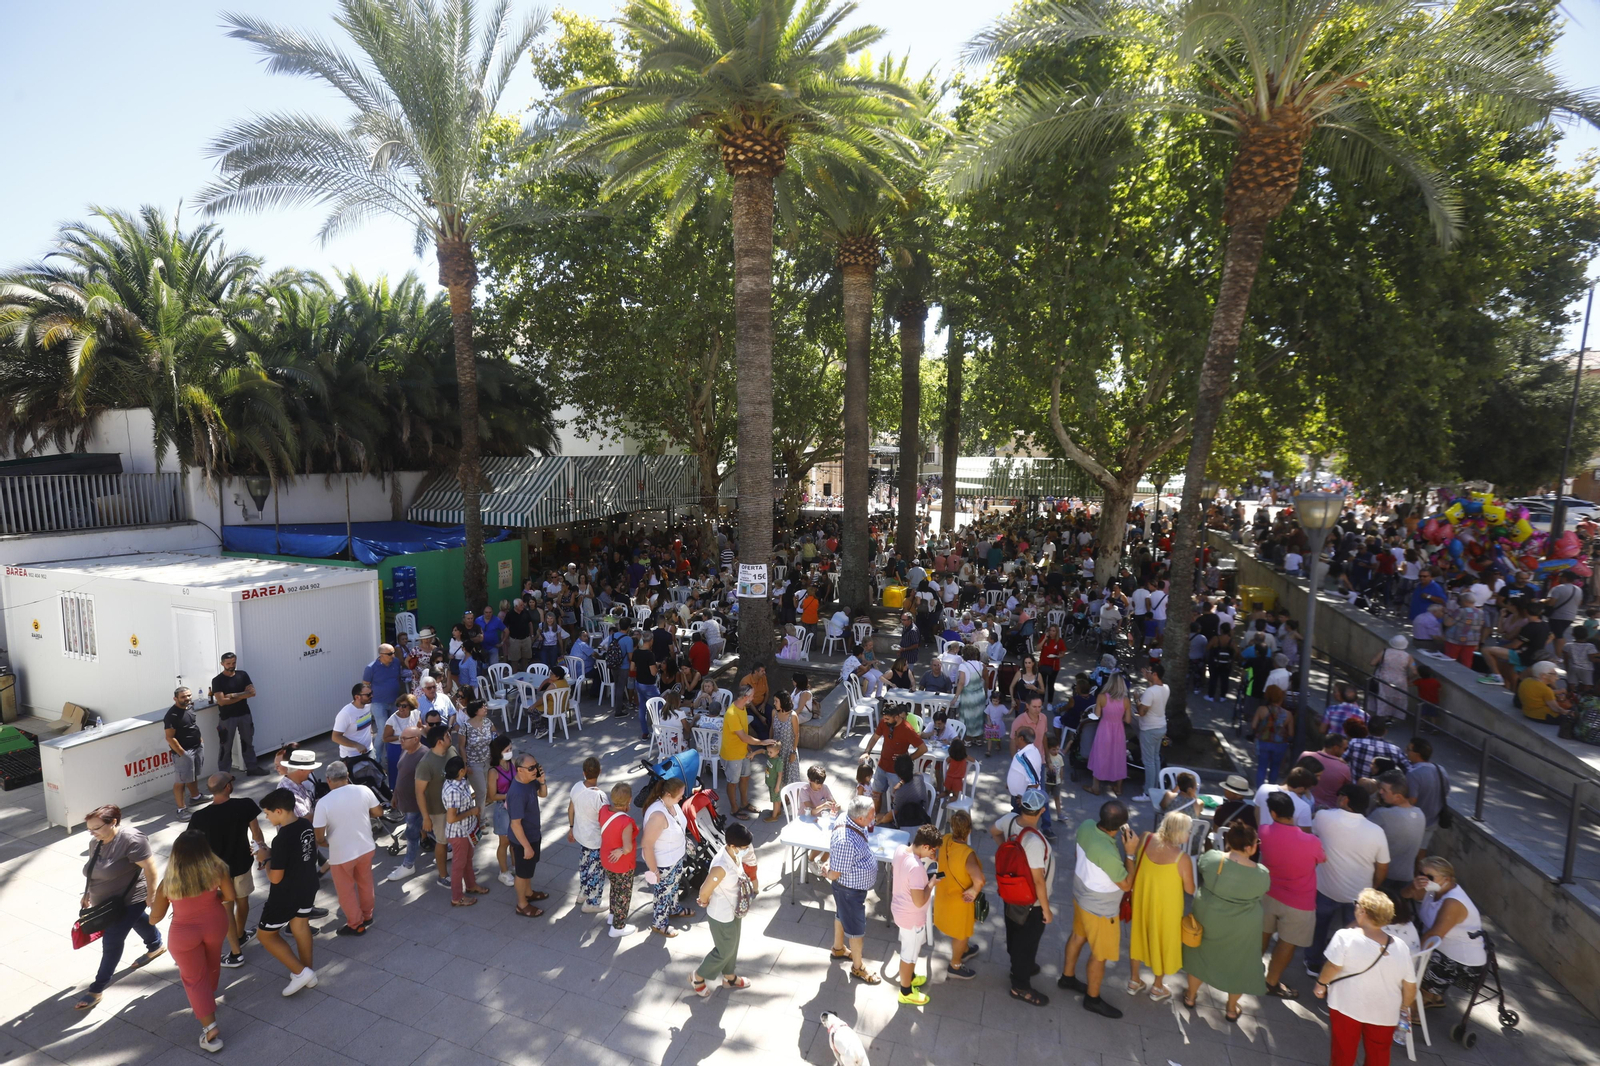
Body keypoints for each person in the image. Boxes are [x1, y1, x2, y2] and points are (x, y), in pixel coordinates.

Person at [147, 831, 234, 1053]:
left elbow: (154, 918)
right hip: (215, 923)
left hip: (183, 933)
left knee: (194, 978)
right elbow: (230, 896)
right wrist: (213, 899)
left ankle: (210, 1028)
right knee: (213, 960)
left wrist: (153, 905)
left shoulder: (168, 882)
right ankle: (209, 994)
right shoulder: (219, 869)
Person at [75, 805, 165, 1011]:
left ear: (113, 822)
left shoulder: (132, 840)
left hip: (131, 898)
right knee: (138, 919)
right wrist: (87, 892)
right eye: (89, 828)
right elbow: (92, 870)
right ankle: (156, 945)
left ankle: (97, 988)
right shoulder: (96, 842)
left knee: (112, 941)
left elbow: (150, 868)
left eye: (96, 828)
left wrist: (151, 896)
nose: (92, 832)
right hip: (107, 903)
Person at [1313, 889, 1416, 1066]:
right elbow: (1410, 985)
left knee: (1343, 1051)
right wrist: (1404, 1007)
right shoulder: (1401, 946)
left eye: (1356, 904)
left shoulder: (1345, 936)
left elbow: (1333, 966)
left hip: (1347, 1006)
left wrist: (1321, 984)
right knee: (1379, 1055)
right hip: (1386, 1012)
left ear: (1362, 911)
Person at [1182, 821, 1270, 1020]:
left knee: (1200, 956)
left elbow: (1202, 867)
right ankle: (1231, 1009)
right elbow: (1261, 892)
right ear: (1249, 847)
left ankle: (1190, 996)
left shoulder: (1212, 859)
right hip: (1242, 925)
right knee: (1240, 964)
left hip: (1208, 916)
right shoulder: (1261, 874)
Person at [1059, 798, 1136, 1018]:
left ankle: (1067, 978)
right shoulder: (1108, 853)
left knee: (1077, 937)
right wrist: (1130, 853)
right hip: (1100, 909)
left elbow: (1077, 855)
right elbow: (1127, 884)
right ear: (1121, 827)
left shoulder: (1086, 826)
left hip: (1080, 895)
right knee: (1100, 955)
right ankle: (1092, 999)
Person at [1308, 784, 1391, 975]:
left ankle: (1312, 963)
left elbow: (1311, 837)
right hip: (1358, 896)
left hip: (1324, 888)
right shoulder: (1377, 831)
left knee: (1319, 928)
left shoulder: (1323, 817)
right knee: (1354, 935)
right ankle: (1344, 969)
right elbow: (1383, 867)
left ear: (1345, 800)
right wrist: (1374, 888)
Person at [189, 773, 268, 968]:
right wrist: (262, 853)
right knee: (243, 902)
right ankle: (240, 935)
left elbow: (192, 845)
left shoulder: (199, 817)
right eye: (231, 782)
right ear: (227, 787)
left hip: (216, 873)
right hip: (242, 865)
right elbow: (256, 833)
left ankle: (236, 953)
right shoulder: (245, 805)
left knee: (226, 911)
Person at [1259, 790, 1327, 998]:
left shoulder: (1262, 831)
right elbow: (1321, 859)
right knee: (1287, 943)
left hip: (1268, 893)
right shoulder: (1311, 841)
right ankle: (1271, 982)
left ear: (1272, 813)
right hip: (1300, 901)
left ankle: (1250, 971)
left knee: (1262, 934)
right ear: (1293, 812)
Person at [1126, 811, 1196, 1002]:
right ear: (1179, 833)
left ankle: (1134, 981)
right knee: (1164, 943)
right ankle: (1157, 987)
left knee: (1138, 936)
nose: (1190, 835)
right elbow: (1190, 889)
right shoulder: (1182, 859)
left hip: (1142, 902)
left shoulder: (1146, 838)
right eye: (1188, 831)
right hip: (1167, 910)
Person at [256, 788, 319, 996]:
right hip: (308, 886)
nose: (266, 816)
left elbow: (275, 877)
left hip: (285, 895)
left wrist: (265, 859)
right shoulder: (305, 825)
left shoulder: (281, 838)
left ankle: (301, 973)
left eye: (268, 812)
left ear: (280, 811)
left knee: (265, 935)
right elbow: (298, 854)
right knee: (300, 926)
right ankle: (308, 972)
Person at [1403, 856, 1485, 1010]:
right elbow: (1405, 896)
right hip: (1441, 948)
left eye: (1429, 877)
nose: (1423, 879)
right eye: (1420, 874)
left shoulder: (1453, 902)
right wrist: (1413, 887)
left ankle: (1419, 1003)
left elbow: (1434, 935)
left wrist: (1411, 958)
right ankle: (1432, 996)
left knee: (1409, 972)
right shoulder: (1433, 889)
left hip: (1460, 960)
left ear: (1446, 879)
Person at [313, 761, 380, 935]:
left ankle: (356, 924)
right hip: (365, 847)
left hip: (341, 854)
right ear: (347, 775)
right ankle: (367, 915)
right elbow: (378, 812)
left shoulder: (323, 803)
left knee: (346, 891)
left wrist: (326, 843)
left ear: (328, 779)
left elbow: (318, 835)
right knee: (366, 883)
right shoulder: (364, 790)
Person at [693, 822, 757, 996]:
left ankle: (729, 977)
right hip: (721, 915)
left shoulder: (733, 853)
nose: (747, 850)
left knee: (733, 945)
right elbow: (704, 890)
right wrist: (704, 901)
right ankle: (698, 976)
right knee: (724, 950)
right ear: (732, 845)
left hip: (734, 909)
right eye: (744, 847)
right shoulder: (721, 866)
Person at [824, 795, 882, 986]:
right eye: (871, 815)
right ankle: (858, 967)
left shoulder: (846, 818)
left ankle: (838, 948)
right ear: (860, 818)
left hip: (849, 890)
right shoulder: (845, 841)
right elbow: (834, 874)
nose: (874, 817)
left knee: (841, 914)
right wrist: (826, 870)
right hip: (849, 890)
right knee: (856, 929)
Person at [887, 824, 942, 1006]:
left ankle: (909, 976)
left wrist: (926, 857)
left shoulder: (901, 849)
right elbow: (920, 901)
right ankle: (905, 991)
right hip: (912, 918)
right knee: (909, 955)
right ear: (926, 846)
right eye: (932, 849)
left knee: (908, 948)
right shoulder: (918, 869)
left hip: (900, 911)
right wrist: (931, 883)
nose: (933, 853)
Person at [932, 809, 986, 979]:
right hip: (960, 901)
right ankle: (955, 964)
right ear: (969, 830)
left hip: (944, 894)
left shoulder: (946, 839)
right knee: (960, 933)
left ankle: (966, 949)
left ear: (953, 827)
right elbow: (980, 880)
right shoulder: (967, 854)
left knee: (958, 932)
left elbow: (936, 854)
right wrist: (974, 890)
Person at [641, 777, 691, 936]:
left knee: (674, 886)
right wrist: (654, 871)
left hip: (675, 858)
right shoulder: (658, 816)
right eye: (680, 795)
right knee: (662, 893)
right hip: (663, 863)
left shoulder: (672, 804)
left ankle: (674, 908)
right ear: (668, 794)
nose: (682, 798)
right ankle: (659, 923)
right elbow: (647, 844)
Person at [722, 684, 777, 820]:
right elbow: (743, 736)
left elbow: (743, 734)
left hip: (743, 752)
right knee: (732, 782)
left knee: (745, 777)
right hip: (732, 754)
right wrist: (761, 742)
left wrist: (747, 746)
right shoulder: (732, 714)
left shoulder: (742, 708)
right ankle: (734, 809)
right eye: (752, 695)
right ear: (746, 696)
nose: (753, 698)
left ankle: (744, 803)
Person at [507, 753, 551, 918]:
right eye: (531, 768)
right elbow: (515, 824)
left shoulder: (530, 781)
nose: (535, 770)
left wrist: (541, 781)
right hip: (522, 840)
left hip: (533, 834)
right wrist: (526, 847)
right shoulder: (517, 793)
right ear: (519, 770)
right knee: (521, 872)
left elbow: (543, 794)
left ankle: (529, 892)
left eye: (536, 766)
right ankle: (522, 904)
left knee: (528, 870)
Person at [863, 705, 927, 814]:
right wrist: (867, 751)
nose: (884, 721)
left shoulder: (907, 729)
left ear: (896, 717)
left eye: (887, 719)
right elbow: (875, 737)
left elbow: (923, 749)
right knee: (876, 794)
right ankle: (874, 819)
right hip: (882, 766)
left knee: (896, 799)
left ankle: (895, 820)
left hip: (896, 772)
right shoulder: (884, 723)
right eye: (884, 718)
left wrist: (907, 758)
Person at [413, 725, 457, 887]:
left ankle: (464, 869)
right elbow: (419, 793)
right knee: (442, 842)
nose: (450, 736)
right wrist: (426, 818)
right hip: (438, 811)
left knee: (461, 840)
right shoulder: (426, 764)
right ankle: (443, 876)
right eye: (447, 735)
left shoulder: (452, 751)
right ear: (440, 742)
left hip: (457, 807)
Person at [1369, 771, 1426, 894]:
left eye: (1384, 790)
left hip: (1383, 876)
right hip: (1407, 877)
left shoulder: (1382, 814)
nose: (1380, 792)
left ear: (1398, 796)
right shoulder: (1420, 814)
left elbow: (1362, 834)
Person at [210, 653, 264, 776]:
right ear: (222, 664)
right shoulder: (217, 680)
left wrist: (233, 695)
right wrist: (243, 695)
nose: (231, 666)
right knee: (225, 746)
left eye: (233, 663)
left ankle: (252, 768)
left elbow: (252, 693)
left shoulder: (242, 675)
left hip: (244, 714)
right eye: (228, 663)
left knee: (248, 742)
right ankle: (223, 775)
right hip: (227, 718)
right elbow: (222, 701)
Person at [599, 783, 639, 938]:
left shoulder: (604, 811)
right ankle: (618, 927)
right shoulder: (626, 822)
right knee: (623, 893)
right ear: (629, 800)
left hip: (606, 859)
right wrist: (621, 851)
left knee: (614, 887)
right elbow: (627, 847)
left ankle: (612, 915)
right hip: (622, 864)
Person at [1086, 673, 1132, 796]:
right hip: (1118, 730)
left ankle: (1095, 786)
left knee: (1100, 754)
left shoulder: (1102, 697)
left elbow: (1097, 715)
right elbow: (1128, 720)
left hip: (1104, 728)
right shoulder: (1126, 700)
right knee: (1118, 756)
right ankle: (1118, 788)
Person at [164, 686, 206, 820]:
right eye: (183, 697)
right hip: (184, 752)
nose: (187, 698)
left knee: (192, 775)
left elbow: (192, 725)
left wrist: (200, 740)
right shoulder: (171, 715)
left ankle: (196, 797)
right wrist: (183, 753)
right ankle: (181, 809)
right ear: (175, 699)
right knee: (180, 782)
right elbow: (170, 737)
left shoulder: (189, 707)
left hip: (197, 747)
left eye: (188, 695)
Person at [1404, 738, 1450, 846]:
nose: (1406, 751)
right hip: (1432, 820)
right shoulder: (1441, 769)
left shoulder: (1413, 773)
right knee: (1422, 850)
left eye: (1408, 749)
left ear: (1417, 754)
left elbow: (1412, 800)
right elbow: (1446, 791)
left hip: (1414, 821)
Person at [765, 690, 801, 820]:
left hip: (788, 750)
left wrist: (793, 752)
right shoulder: (774, 712)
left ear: (783, 702)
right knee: (777, 777)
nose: (774, 703)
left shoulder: (793, 716)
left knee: (789, 777)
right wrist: (769, 744)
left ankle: (792, 805)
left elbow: (796, 735)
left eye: (776, 701)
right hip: (776, 752)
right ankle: (779, 804)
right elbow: (772, 729)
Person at [1250, 685, 1295, 786]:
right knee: (1275, 768)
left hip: (1263, 742)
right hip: (1280, 745)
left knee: (1262, 767)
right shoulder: (1288, 714)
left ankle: (1259, 791)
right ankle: (1271, 789)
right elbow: (1291, 733)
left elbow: (1253, 726)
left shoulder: (1261, 709)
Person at [1136, 663, 1169, 795]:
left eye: (1149, 671)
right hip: (1161, 727)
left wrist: (1137, 699)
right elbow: (1154, 693)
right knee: (1155, 758)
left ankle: (1148, 792)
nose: (1147, 673)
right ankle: (1154, 788)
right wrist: (1147, 679)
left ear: (1155, 674)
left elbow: (1142, 712)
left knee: (1148, 761)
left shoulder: (1150, 692)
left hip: (1149, 729)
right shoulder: (1165, 687)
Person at [1301, 733, 1355, 809]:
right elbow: (1347, 788)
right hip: (1328, 809)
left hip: (1301, 803)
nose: (1345, 752)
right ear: (1336, 748)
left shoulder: (1305, 755)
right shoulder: (1344, 768)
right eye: (1345, 749)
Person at [381, 693, 421, 790]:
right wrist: (400, 737)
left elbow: (419, 728)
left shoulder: (415, 713)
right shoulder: (392, 720)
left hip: (412, 747)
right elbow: (385, 738)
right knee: (396, 774)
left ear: (411, 706)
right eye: (398, 705)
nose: (400, 708)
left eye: (404, 706)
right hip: (396, 749)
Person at [332, 682, 377, 760]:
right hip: (351, 756)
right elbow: (335, 737)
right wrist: (356, 745)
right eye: (368, 695)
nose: (371, 696)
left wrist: (370, 731)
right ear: (357, 697)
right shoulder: (345, 714)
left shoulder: (368, 705)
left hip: (369, 751)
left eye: (371, 693)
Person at [362, 643, 406, 722]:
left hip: (394, 701)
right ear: (381, 655)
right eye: (389, 654)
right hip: (378, 703)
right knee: (383, 729)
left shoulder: (396, 662)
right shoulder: (371, 668)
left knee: (395, 728)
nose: (392, 656)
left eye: (393, 653)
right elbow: (366, 684)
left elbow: (398, 677)